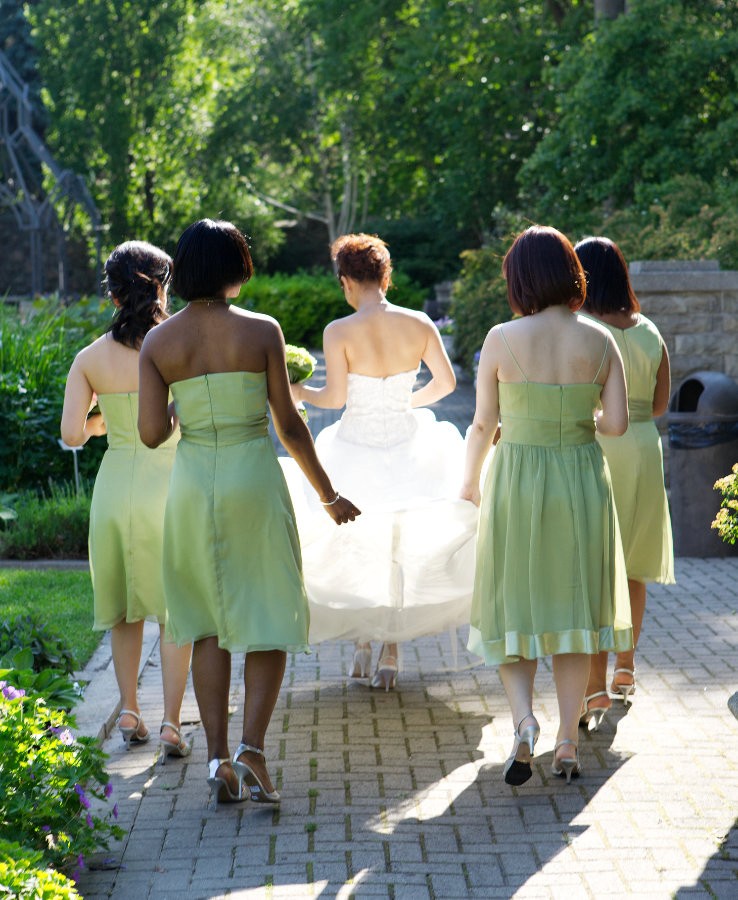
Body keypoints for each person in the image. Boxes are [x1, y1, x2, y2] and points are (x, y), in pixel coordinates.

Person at [137, 218, 360, 808]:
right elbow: (288, 424)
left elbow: (152, 433)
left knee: (208, 622)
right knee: (266, 611)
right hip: (253, 479)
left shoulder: (159, 343)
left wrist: (190, 409)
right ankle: (252, 750)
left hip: (193, 486)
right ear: (236, 268)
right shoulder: (262, 330)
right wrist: (328, 494)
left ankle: (215, 758)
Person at [460, 225, 633, 786]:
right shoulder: (602, 340)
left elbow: (484, 422)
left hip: (518, 477)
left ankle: (523, 722)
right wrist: (574, 420)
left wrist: (469, 482)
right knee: (573, 609)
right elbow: (617, 423)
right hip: (581, 477)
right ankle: (566, 741)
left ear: (520, 279)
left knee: (516, 603)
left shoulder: (500, 338)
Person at [286, 232, 478, 690]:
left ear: (347, 280)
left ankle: (366, 642)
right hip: (409, 445)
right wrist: (408, 404)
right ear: (384, 276)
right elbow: (447, 383)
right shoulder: (419, 322)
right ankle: (391, 652)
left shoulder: (339, 331)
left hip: (354, 446)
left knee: (358, 542)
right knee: (400, 548)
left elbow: (333, 398)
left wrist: (297, 392)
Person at [60, 241, 193, 762]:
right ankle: (171, 722)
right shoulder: (178, 344)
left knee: (123, 610)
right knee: (175, 610)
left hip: (115, 487)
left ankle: (131, 710)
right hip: (171, 484)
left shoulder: (88, 358)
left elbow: (72, 434)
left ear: (112, 293)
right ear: (161, 285)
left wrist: (103, 422)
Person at [574, 236, 675, 728]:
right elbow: (659, 406)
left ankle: (593, 688)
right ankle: (625, 669)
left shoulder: (586, 331)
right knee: (632, 565)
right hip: (643, 445)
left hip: (598, 442)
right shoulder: (651, 330)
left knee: (595, 566)